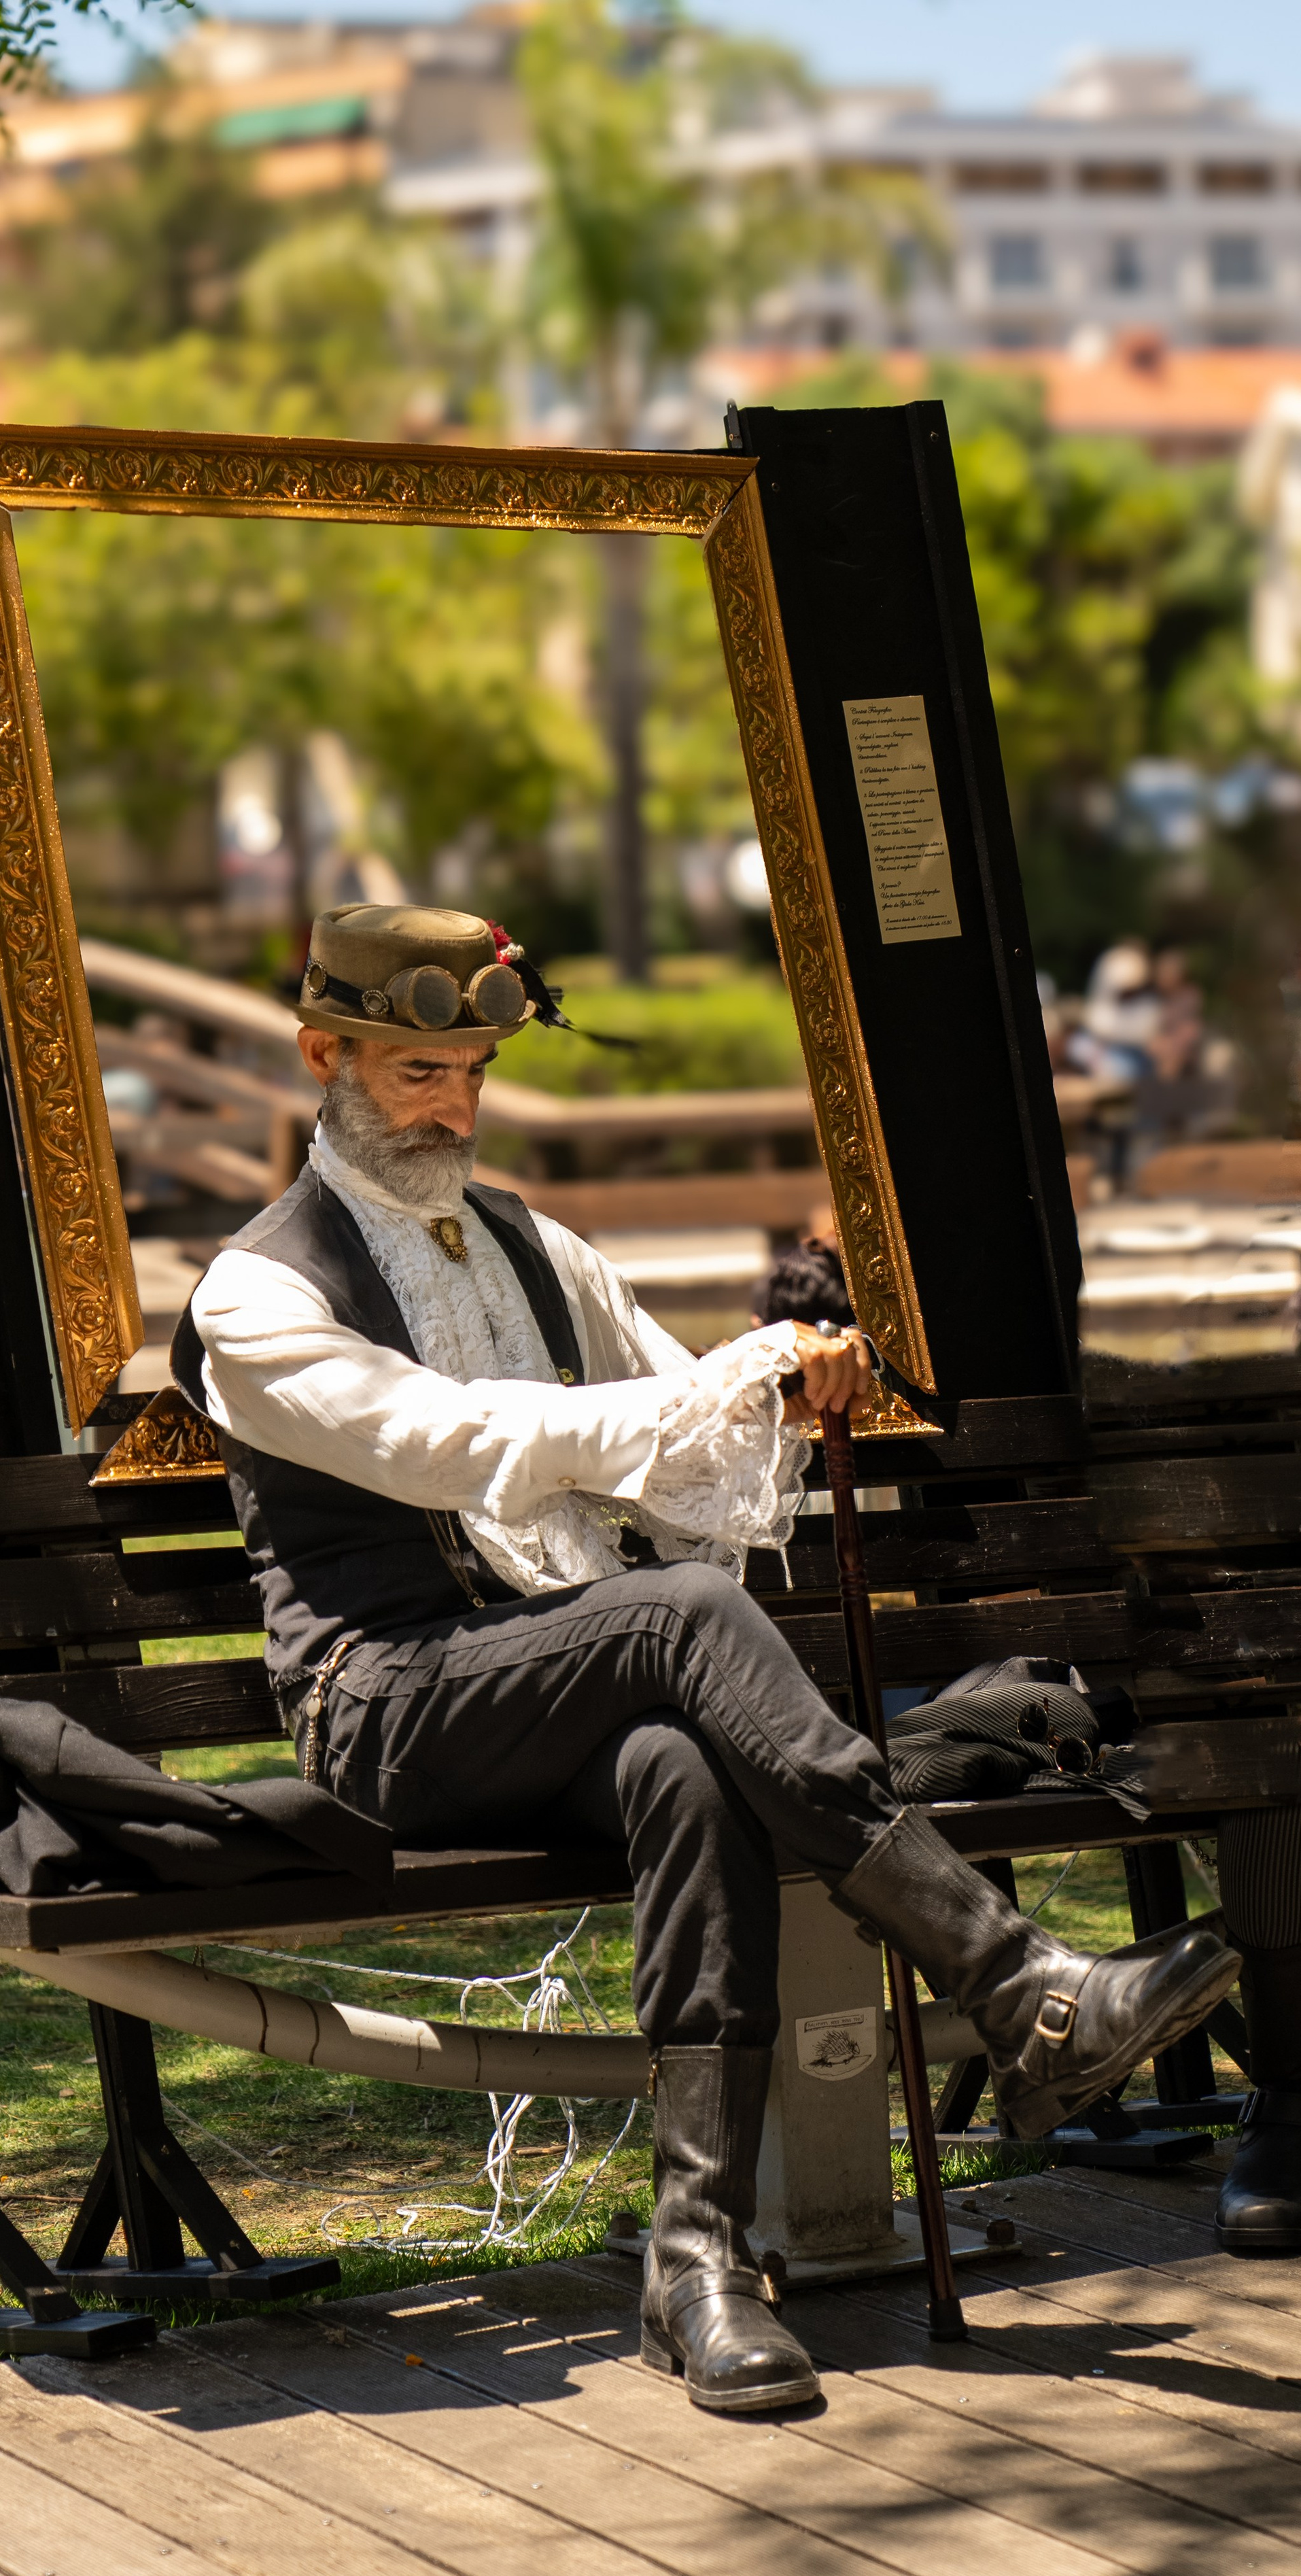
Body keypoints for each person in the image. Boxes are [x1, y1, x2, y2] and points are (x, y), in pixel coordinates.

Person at [173, 904, 1239, 2414]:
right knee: (676, 1625)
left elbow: (680, 1444)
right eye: (417, 1071)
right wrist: (723, 1386)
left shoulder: (538, 1249)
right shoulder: (256, 1292)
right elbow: (456, 1448)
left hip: (548, 1687)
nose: (454, 1105)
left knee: (679, 1766)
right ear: (322, 1056)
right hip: (387, 1704)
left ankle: (698, 2264)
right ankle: (1013, 1981)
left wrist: (786, 1380)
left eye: (472, 1068)